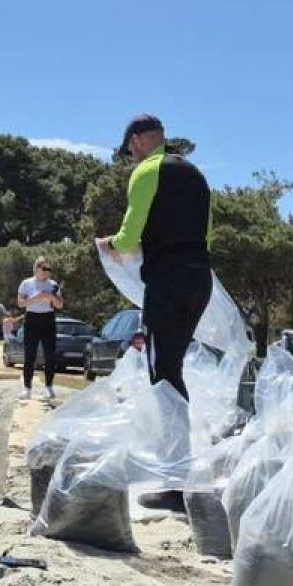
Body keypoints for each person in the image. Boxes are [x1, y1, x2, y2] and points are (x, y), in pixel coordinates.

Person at [99, 113, 213, 399]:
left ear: (137, 141)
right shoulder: (195, 173)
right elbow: (206, 234)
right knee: (172, 366)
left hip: (167, 280)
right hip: (200, 279)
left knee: (161, 370)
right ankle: (176, 438)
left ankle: (172, 442)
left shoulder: (147, 170)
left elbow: (128, 236)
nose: (132, 157)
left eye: (130, 151)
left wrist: (109, 245)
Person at [15, 257, 64, 400]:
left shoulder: (53, 285)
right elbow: (20, 303)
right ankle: (27, 388)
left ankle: (49, 387)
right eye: (44, 269)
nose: (47, 272)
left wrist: (50, 296)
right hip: (32, 319)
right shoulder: (26, 283)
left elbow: (60, 305)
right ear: (36, 269)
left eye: (49, 269)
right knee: (30, 356)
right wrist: (37, 297)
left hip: (48, 319)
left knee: (50, 355)